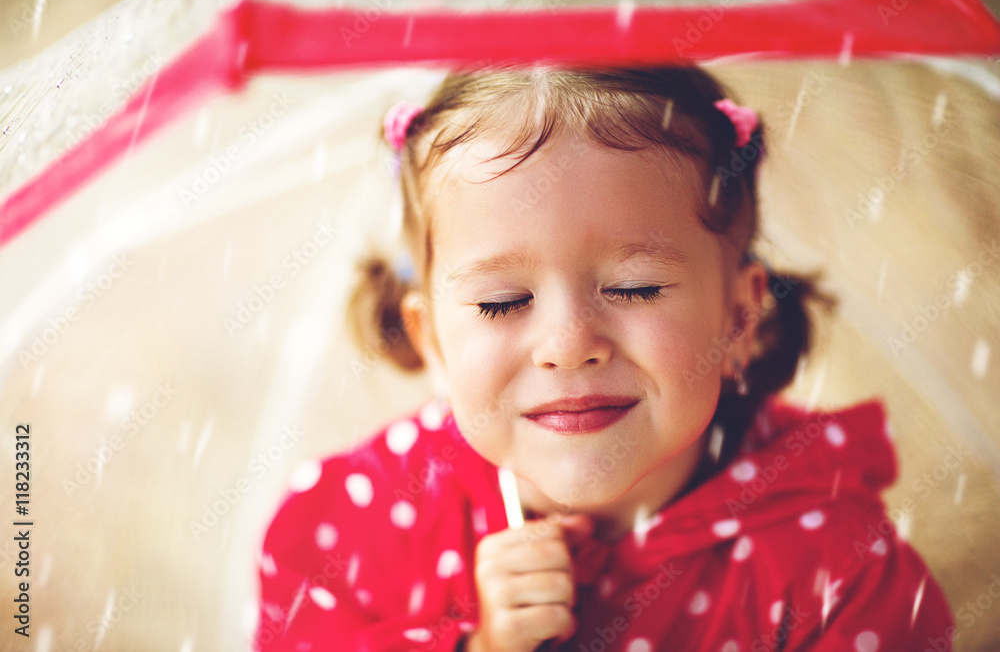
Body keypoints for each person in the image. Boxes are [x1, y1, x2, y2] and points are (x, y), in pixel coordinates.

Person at [254, 66, 954, 651]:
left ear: (738, 317)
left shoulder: (831, 563)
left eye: (634, 287)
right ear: (433, 338)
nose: (567, 345)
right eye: (501, 301)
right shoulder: (355, 528)